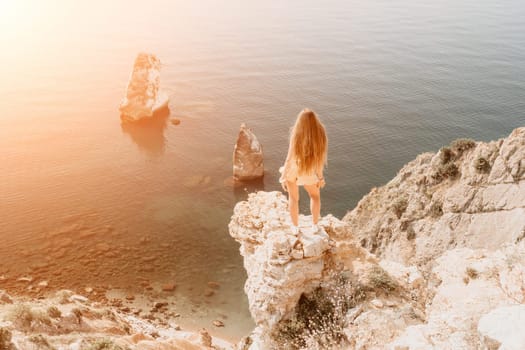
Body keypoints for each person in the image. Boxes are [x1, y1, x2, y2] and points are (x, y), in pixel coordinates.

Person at [279, 108, 328, 234]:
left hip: (294, 169)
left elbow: (289, 157)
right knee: (315, 196)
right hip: (310, 170)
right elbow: (319, 159)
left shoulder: (297, 133)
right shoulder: (320, 133)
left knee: (293, 198)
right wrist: (320, 177)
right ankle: (314, 225)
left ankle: (295, 227)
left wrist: (283, 176)